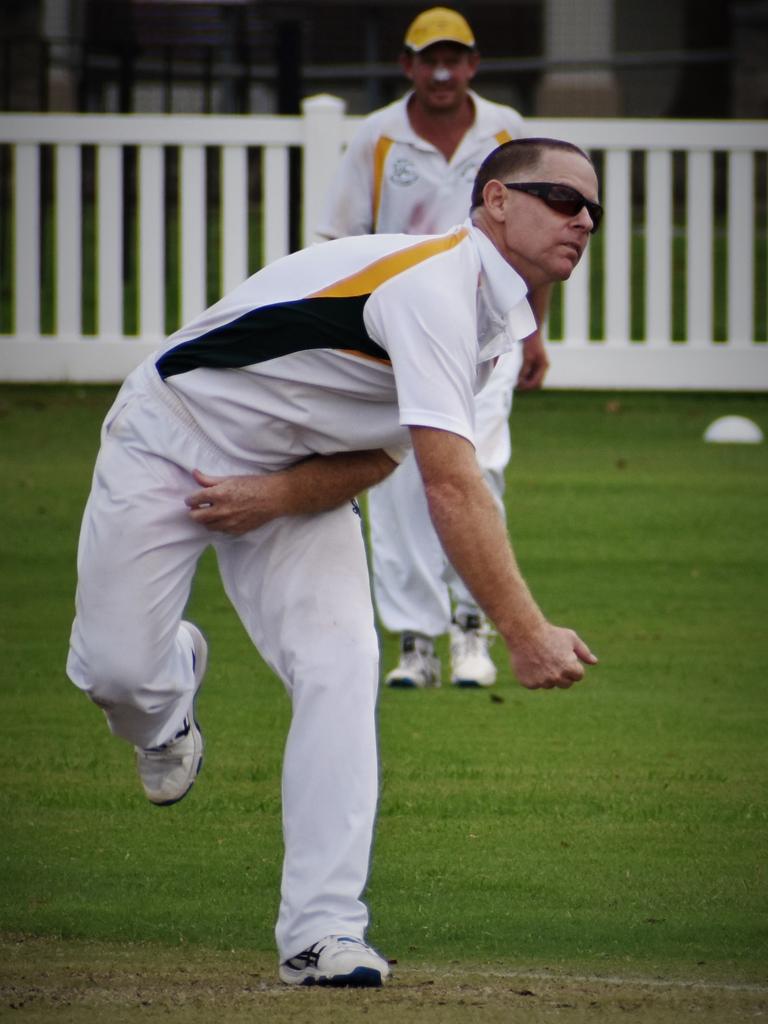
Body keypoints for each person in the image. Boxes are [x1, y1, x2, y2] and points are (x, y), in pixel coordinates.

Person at [66, 137, 601, 988]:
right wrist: (525, 633)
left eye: (594, 212)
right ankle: (167, 693)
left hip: (296, 483)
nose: (583, 220)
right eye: (564, 200)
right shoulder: (432, 286)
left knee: (343, 669)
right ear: (496, 199)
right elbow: (452, 487)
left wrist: (273, 498)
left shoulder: (498, 333)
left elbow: (384, 457)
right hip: (168, 438)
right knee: (118, 673)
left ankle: (322, 932)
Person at [319, 7, 552, 689]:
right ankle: (416, 639)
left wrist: (535, 330)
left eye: (455, 58)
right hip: (396, 335)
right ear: (408, 66)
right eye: (430, 59)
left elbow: (536, 242)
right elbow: (342, 242)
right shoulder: (378, 137)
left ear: (474, 64)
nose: (443, 72)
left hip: (490, 331)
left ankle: (471, 630)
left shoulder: (506, 132)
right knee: (392, 473)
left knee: (476, 466)